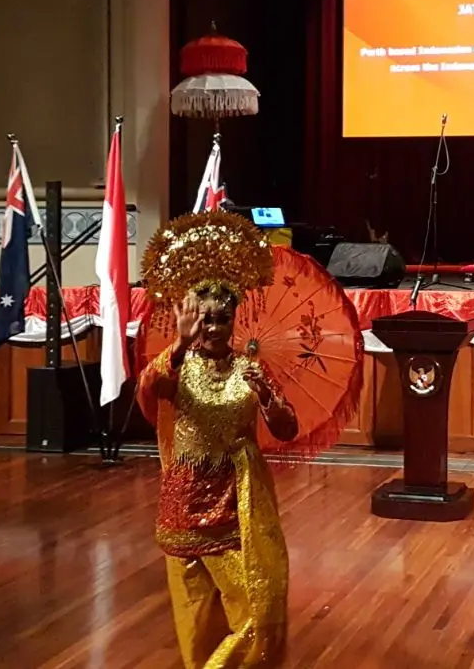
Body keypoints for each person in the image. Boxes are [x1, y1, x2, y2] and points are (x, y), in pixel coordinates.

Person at [137, 210, 296, 668]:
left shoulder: (251, 368)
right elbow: (147, 393)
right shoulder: (175, 365)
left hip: (236, 504)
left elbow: (287, 430)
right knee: (196, 620)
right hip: (183, 505)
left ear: (233, 321)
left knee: (256, 609)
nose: (212, 328)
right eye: (204, 320)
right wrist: (179, 345)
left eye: (221, 320)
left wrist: (267, 395)